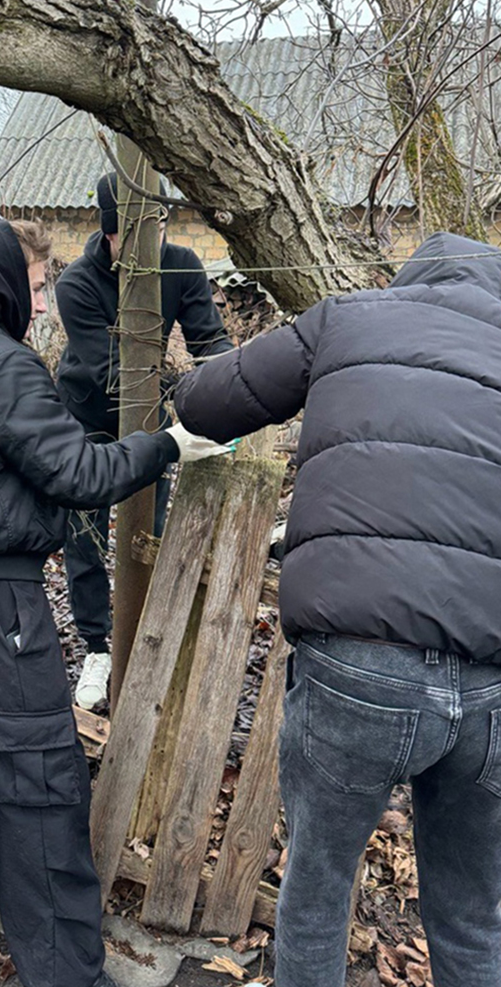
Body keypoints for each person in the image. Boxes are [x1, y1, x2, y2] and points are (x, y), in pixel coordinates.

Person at [0, 218, 223, 987]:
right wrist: (170, 444)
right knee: (36, 768)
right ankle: (67, 969)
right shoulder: (2, 365)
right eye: (37, 285)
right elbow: (76, 474)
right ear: (6, 283)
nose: (43, 304)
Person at [173, 231, 501, 987]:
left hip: (361, 664)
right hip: (492, 681)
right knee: (474, 916)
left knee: (319, 895)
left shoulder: (350, 317)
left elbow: (206, 401)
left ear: (408, 279)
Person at [56, 172, 234, 709]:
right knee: (84, 530)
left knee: (148, 525)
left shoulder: (181, 265)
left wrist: (233, 386)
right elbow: (111, 369)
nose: (152, 241)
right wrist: (176, 397)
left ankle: (144, 632)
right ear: (111, 234)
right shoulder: (78, 284)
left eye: (158, 226)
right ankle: (97, 647)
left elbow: (210, 340)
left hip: (150, 408)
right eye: (137, 231)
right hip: (88, 412)